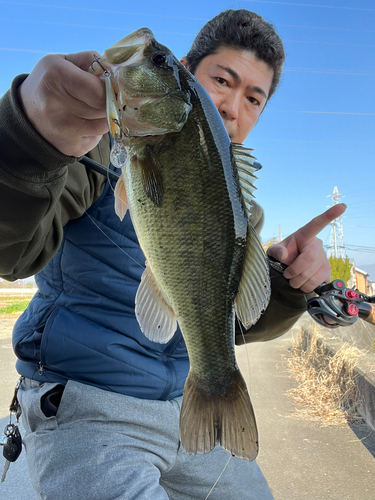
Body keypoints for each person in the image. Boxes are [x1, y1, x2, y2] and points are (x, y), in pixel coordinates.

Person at [0, 8, 345, 500]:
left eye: (254, 99)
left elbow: (232, 323)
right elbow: (10, 254)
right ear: (185, 73)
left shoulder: (243, 212)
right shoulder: (93, 148)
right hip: (88, 406)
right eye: (221, 81)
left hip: (187, 411)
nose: (231, 108)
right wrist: (29, 143)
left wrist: (290, 286)